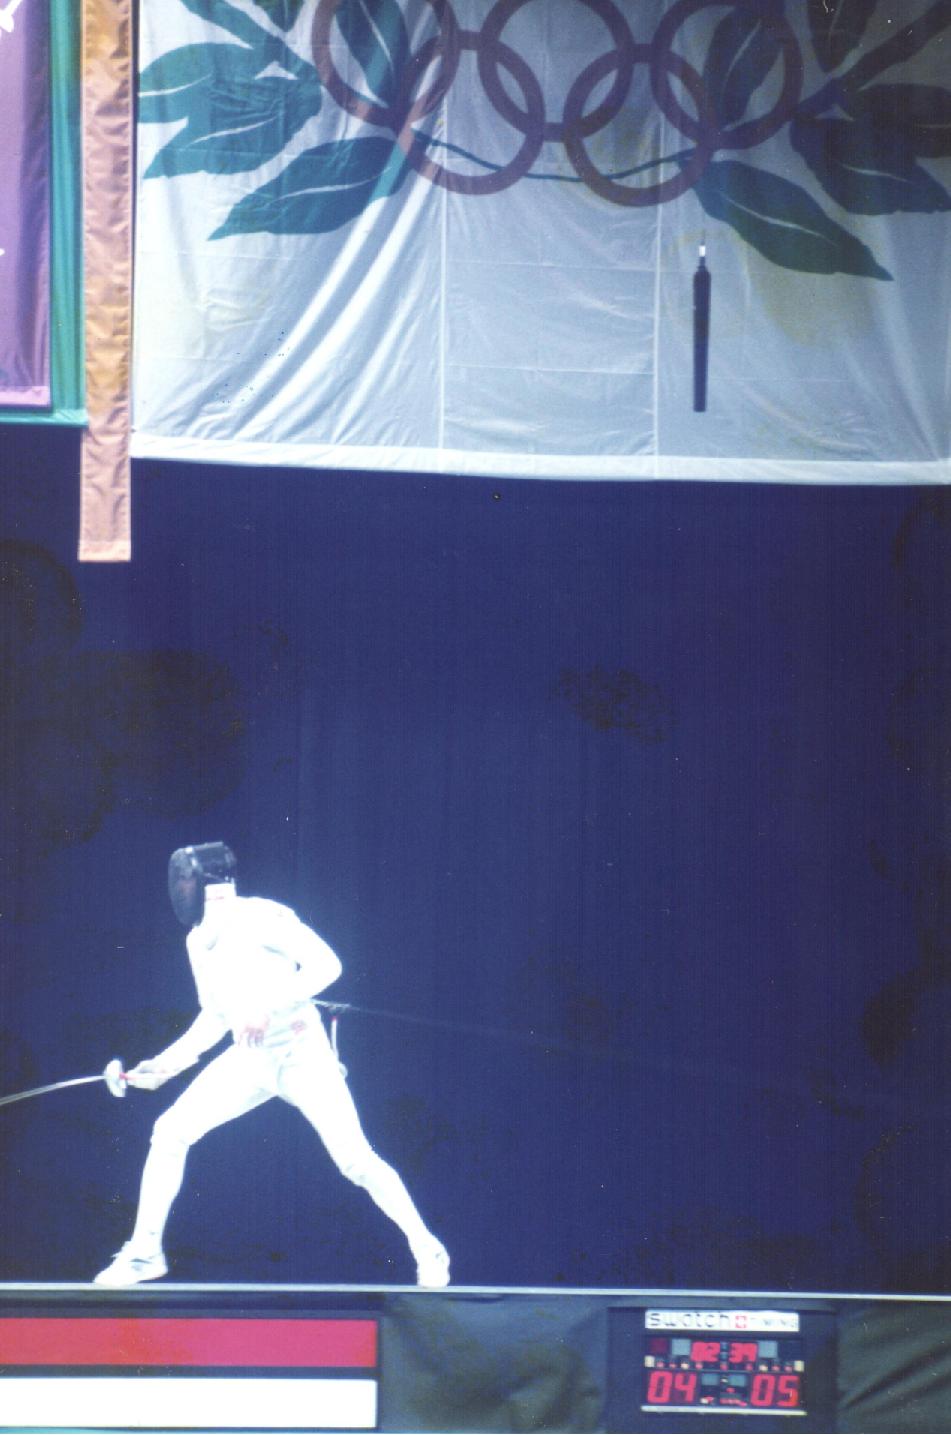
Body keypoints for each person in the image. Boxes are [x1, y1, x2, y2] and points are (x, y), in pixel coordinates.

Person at [94, 842, 450, 1288]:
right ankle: (145, 1255)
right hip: (251, 1060)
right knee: (169, 1131)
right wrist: (164, 1066)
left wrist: (266, 1005)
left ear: (209, 885)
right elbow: (214, 1016)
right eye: (178, 880)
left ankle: (427, 1248)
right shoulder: (196, 942)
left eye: (187, 879)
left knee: (356, 1162)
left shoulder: (262, 916)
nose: (180, 888)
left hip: (303, 1055)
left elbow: (327, 965)